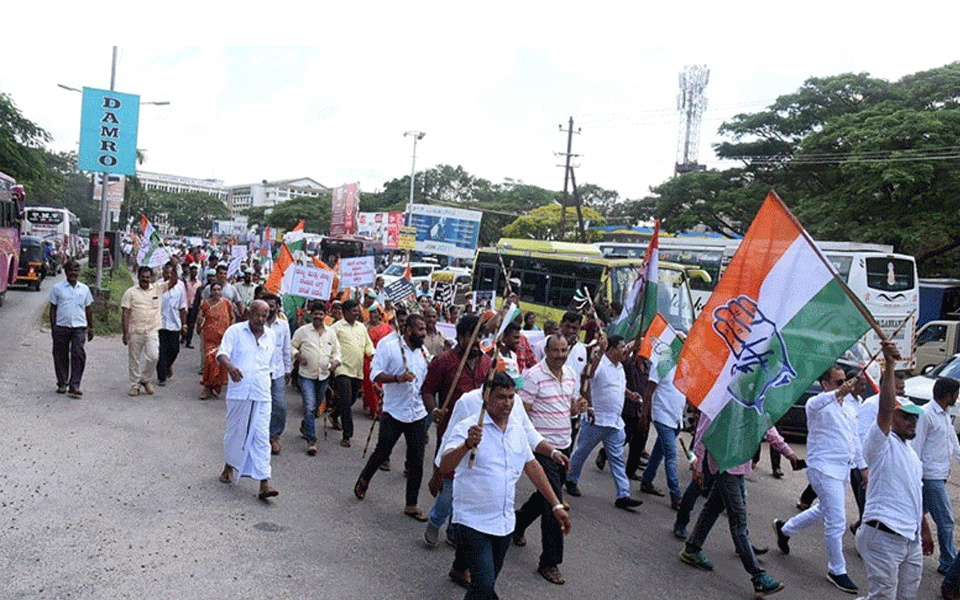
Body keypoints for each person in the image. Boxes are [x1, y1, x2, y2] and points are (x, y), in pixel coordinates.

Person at [438, 371, 572, 600]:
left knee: (482, 589)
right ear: (485, 398)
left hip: (504, 524)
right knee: (484, 585)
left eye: (511, 397)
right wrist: (466, 445)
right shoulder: (469, 428)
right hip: (472, 521)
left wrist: (556, 505)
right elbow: (445, 464)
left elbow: (532, 467)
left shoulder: (516, 429)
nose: (508, 403)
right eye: (501, 397)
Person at [773, 364, 866, 594]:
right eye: (838, 381)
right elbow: (818, 402)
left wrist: (862, 467)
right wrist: (837, 393)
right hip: (823, 469)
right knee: (837, 520)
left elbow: (855, 440)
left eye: (846, 380)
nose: (845, 384)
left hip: (842, 469)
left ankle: (785, 529)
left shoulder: (851, 408)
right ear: (825, 384)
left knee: (824, 510)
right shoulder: (817, 404)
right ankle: (837, 569)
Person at [678, 411, 790, 597]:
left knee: (713, 508)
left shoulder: (751, 398)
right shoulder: (721, 396)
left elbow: (766, 426)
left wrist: (789, 452)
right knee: (738, 521)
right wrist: (697, 466)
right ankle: (758, 577)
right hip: (724, 465)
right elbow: (703, 430)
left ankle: (691, 548)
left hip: (739, 466)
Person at [857, 341, 933, 600]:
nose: (913, 421)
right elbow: (886, 407)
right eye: (906, 417)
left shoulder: (912, 455)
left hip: (909, 540)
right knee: (883, 597)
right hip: (883, 535)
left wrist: (923, 528)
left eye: (915, 418)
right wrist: (889, 365)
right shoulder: (880, 443)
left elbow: (915, 495)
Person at [422, 313, 493, 565]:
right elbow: (427, 390)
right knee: (450, 488)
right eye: (472, 336)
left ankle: (455, 529)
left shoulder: (488, 364)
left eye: (480, 337)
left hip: (481, 435)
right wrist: (435, 411)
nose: (476, 342)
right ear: (460, 336)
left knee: (469, 487)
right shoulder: (444, 361)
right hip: (452, 433)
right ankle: (435, 520)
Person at [513, 334, 582, 586]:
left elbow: (568, 408)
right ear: (546, 351)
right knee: (555, 504)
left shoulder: (572, 374)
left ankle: (517, 523)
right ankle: (550, 561)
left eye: (565, 350)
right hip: (541, 450)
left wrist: (578, 408)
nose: (561, 355)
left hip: (564, 445)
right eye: (556, 350)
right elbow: (523, 414)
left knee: (545, 494)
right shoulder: (533, 376)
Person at [354, 314, 432, 520]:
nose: (424, 333)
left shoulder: (423, 351)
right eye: (420, 330)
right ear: (408, 330)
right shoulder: (388, 346)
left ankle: (411, 504)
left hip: (417, 412)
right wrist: (397, 378)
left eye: (425, 329)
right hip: (395, 411)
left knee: (416, 459)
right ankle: (364, 479)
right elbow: (375, 375)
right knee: (382, 451)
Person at [565, 335, 643, 510]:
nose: (625, 350)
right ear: (611, 349)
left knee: (617, 459)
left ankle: (623, 494)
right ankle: (571, 479)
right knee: (582, 452)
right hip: (597, 419)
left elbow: (618, 387)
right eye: (622, 347)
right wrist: (599, 352)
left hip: (615, 422)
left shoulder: (620, 368)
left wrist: (630, 394)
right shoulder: (600, 363)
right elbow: (589, 375)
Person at [217, 300, 278, 500]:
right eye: (257, 315)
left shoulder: (271, 336)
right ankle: (229, 465)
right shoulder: (235, 332)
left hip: (262, 393)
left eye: (264, 315)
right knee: (236, 432)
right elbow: (222, 354)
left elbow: (273, 366)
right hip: (239, 391)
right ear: (248, 313)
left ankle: (264, 481)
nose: (260, 319)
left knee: (261, 436)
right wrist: (231, 367)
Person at [912, 377, 960, 575]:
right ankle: (948, 563)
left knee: (914, 516)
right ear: (949, 395)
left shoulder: (944, 414)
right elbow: (916, 448)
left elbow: (953, 442)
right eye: (956, 393)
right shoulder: (926, 414)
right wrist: (915, 478)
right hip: (930, 477)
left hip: (940, 475)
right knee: (946, 521)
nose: (957, 397)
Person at [638, 334, 687, 509]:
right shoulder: (662, 364)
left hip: (676, 418)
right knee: (671, 456)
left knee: (659, 451)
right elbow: (649, 391)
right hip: (662, 416)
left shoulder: (684, 366)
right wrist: (645, 415)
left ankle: (646, 481)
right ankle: (676, 495)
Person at [121, 261, 179, 397]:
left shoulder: (158, 289)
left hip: (152, 330)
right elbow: (125, 313)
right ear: (138, 277)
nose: (145, 280)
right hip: (135, 330)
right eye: (143, 277)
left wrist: (175, 267)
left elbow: (173, 282)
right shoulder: (130, 293)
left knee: (154, 357)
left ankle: (145, 379)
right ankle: (135, 385)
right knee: (134, 359)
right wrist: (125, 332)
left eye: (148, 277)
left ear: (151, 278)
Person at [291, 301, 341, 456]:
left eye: (321, 314)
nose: (318, 317)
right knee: (310, 406)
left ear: (325, 316)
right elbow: (291, 346)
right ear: (310, 315)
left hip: (324, 376)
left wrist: (335, 362)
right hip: (306, 375)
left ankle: (305, 425)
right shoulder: (302, 331)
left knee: (317, 406)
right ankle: (312, 440)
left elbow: (337, 352)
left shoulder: (330, 333)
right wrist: (297, 355)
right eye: (315, 314)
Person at [330, 299, 375, 447]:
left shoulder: (362, 327)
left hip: (357, 370)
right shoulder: (336, 328)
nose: (357, 313)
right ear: (346, 312)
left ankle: (334, 414)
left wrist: (374, 356)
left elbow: (368, 346)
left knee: (350, 400)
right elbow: (328, 345)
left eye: (358, 310)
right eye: (354, 310)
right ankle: (347, 435)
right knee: (346, 401)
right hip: (342, 369)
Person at [48, 260, 94, 397]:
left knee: (78, 354)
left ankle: (75, 385)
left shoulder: (84, 289)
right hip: (61, 327)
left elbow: (89, 308)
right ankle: (62, 383)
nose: (73, 273)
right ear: (65, 272)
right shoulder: (57, 288)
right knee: (60, 354)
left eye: (75, 270)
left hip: (79, 327)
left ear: (79, 272)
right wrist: (53, 327)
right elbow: (53, 308)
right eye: (70, 270)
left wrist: (91, 327)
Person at [263, 293, 292, 455]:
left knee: (279, 405)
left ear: (278, 307)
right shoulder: (257, 324)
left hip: (278, 371)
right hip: (260, 372)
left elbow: (286, 349)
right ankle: (257, 435)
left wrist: (288, 369)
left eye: (272, 305)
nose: (269, 308)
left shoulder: (283, 326)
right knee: (259, 404)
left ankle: (274, 436)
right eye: (267, 305)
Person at [197, 282, 235, 399]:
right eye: (214, 290)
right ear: (211, 291)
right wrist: (199, 325)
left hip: (223, 339)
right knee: (209, 361)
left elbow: (232, 317)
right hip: (209, 338)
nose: (216, 292)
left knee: (219, 363)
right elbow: (200, 319)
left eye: (219, 290)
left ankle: (214, 386)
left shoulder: (227, 303)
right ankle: (206, 387)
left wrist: (231, 333)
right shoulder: (205, 305)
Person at [156, 263, 188, 386]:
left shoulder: (179, 290)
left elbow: (182, 308)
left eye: (172, 273)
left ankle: (168, 365)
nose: (169, 276)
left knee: (174, 350)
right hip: (160, 323)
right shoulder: (157, 287)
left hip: (174, 324)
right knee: (161, 351)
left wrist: (184, 324)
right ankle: (161, 376)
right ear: (163, 274)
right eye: (167, 273)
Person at [362, 304, 394, 419]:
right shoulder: (364, 328)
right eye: (371, 313)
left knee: (381, 384)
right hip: (368, 359)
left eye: (375, 312)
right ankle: (373, 408)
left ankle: (379, 410)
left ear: (380, 315)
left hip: (383, 359)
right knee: (370, 385)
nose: (373, 315)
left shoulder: (387, 328)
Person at [182, 264, 202, 349]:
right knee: (184, 322)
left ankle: (188, 341)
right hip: (186, 305)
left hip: (194, 306)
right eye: (193, 271)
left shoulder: (199, 283)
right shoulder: (186, 282)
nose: (194, 273)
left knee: (191, 324)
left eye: (196, 271)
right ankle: (183, 336)